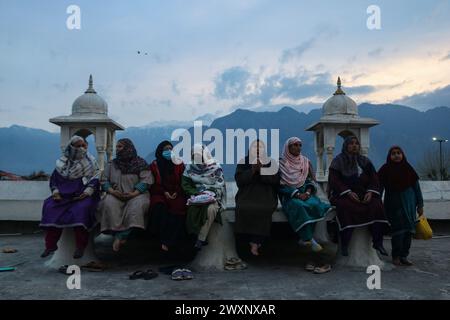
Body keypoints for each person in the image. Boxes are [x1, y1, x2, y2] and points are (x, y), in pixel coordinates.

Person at [328, 136, 389, 256]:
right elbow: (334, 181)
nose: (354, 145)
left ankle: (378, 242)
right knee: (346, 207)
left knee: (377, 205)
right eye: (351, 143)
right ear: (346, 146)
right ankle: (345, 244)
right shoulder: (337, 161)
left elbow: (374, 179)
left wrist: (370, 192)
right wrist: (348, 192)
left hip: (363, 193)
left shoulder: (365, 161)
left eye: (357, 143)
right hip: (344, 195)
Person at [40, 135, 100, 259]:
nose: (81, 149)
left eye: (84, 146)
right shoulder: (61, 163)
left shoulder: (91, 162)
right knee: (50, 207)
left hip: (82, 196)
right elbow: (54, 180)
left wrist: (88, 191)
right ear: (71, 147)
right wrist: (55, 192)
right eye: (78, 146)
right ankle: (50, 245)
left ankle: (80, 247)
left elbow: (95, 178)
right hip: (63, 196)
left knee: (81, 211)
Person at [278, 137, 331, 267]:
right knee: (299, 206)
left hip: (306, 193)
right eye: (295, 145)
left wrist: (307, 193)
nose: (298, 147)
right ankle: (309, 239)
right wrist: (296, 194)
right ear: (288, 148)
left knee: (314, 204)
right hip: (290, 196)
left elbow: (310, 181)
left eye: (300, 145)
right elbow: (279, 185)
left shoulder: (305, 162)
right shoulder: (280, 164)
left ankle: (306, 239)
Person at [97, 138, 153, 252]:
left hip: (137, 194)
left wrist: (134, 193)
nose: (117, 149)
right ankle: (116, 233)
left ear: (128, 148)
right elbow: (104, 180)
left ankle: (122, 236)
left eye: (120, 146)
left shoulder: (140, 163)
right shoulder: (112, 164)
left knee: (136, 208)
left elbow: (146, 181)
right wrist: (112, 191)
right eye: (117, 147)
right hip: (116, 194)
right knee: (108, 203)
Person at [378, 146, 424, 266]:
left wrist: (420, 205)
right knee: (398, 232)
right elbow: (379, 188)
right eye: (393, 153)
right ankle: (396, 256)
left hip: (409, 205)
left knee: (408, 231)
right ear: (389, 156)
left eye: (399, 153)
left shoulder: (408, 169)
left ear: (403, 155)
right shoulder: (385, 170)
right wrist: (377, 202)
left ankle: (404, 256)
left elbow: (417, 189)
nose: (397, 155)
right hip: (394, 206)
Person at [234, 139, 280, 256]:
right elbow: (239, 181)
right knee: (243, 208)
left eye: (261, 148)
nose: (258, 150)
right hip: (247, 195)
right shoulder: (243, 162)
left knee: (263, 209)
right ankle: (246, 242)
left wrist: (261, 170)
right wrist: (252, 170)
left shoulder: (271, 162)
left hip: (266, 195)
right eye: (255, 147)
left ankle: (256, 241)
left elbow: (275, 181)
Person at [181, 144, 226, 249]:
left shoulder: (215, 167)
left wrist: (210, 192)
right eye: (195, 155)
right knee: (193, 210)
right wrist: (197, 192)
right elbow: (185, 184)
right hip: (197, 196)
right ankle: (195, 237)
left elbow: (220, 185)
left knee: (211, 209)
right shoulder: (189, 167)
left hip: (213, 195)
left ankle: (201, 238)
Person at [149, 140, 187, 252]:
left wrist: (177, 192)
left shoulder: (179, 164)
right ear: (160, 151)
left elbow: (183, 181)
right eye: (166, 149)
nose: (169, 151)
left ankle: (169, 241)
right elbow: (152, 183)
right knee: (159, 207)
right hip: (160, 193)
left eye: (171, 149)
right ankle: (160, 239)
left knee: (180, 208)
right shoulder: (154, 166)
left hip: (176, 193)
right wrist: (164, 192)